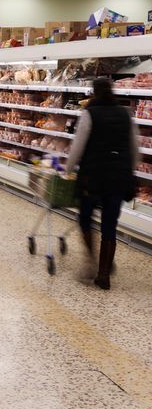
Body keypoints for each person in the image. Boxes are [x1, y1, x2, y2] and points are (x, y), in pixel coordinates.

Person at [66, 78, 138, 290]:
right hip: (118, 178)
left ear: (93, 92)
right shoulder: (126, 114)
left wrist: (68, 169)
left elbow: (78, 146)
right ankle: (104, 274)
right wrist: (129, 171)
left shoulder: (90, 113)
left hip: (93, 177)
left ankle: (91, 261)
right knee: (110, 225)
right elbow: (134, 147)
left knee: (85, 219)